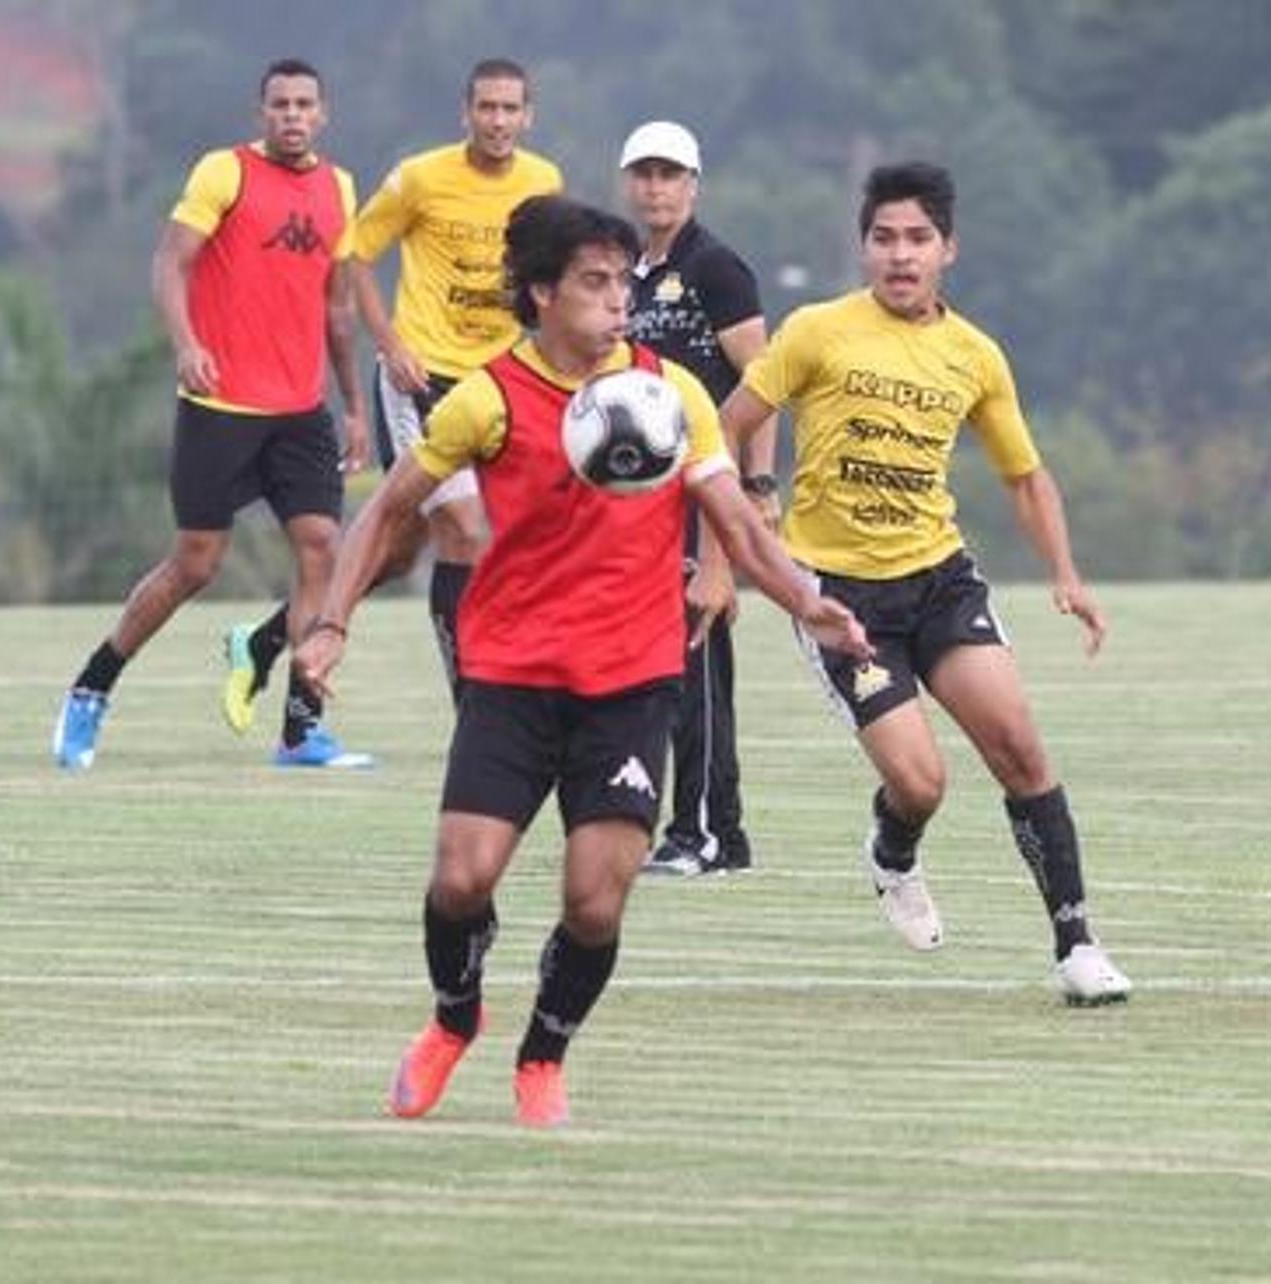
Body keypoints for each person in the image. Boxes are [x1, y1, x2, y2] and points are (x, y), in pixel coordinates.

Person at [294, 196, 870, 1126]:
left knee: (596, 901)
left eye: (623, 285)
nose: (618, 304)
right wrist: (330, 625)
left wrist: (805, 598)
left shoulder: (670, 396)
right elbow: (387, 512)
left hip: (632, 683)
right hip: (514, 678)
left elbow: (736, 524)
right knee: (460, 878)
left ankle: (543, 1058)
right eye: (596, 285)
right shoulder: (486, 398)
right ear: (542, 293)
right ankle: (453, 1021)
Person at [719, 162, 1132, 1005]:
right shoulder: (815, 331)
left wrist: (1066, 574)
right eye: (884, 239)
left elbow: (1025, 476)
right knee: (921, 783)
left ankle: (1077, 945)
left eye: (918, 239)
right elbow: (724, 432)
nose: (900, 256)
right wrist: (732, 538)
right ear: (864, 247)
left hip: (941, 582)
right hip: (840, 599)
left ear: (949, 249)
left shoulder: (975, 355)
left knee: (1019, 750)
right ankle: (892, 851)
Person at [51, 58, 370, 772]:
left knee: (323, 549)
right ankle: (91, 686)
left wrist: (352, 405)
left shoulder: (340, 187)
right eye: (280, 104)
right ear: (262, 112)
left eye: (304, 104)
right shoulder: (223, 173)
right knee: (195, 564)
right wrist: (187, 344)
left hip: (300, 409)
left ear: (323, 114)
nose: (292, 115)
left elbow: (339, 309)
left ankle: (300, 729)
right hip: (220, 403)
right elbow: (170, 263)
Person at [220, 57, 561, 717]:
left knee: (400, 552)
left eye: (509, 109)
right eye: (485, 108)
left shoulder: (543, 181)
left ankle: (262, 641)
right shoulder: (421, 177)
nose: (497, 121)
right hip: (422, 379)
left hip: (497, 384)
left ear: (528, 116)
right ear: (465, 112)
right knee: (466, 530)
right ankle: (475, 704)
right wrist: (392, 344)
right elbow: (353, 253)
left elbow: (542, 270)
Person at [619, 120, 774, 879]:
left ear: (694, 185)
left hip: (703, 486)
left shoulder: (715, 267)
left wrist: (758, 487)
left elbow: (764, 384)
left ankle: (706, 832)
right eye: (645, 173)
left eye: (671, 175)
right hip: (642, 495)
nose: (657, 187)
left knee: (697, 647)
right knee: (662, 655)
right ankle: (707, 828)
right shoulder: (626, 273)